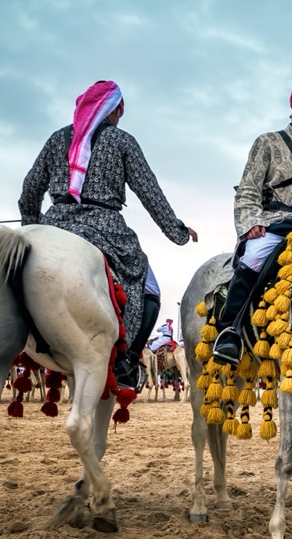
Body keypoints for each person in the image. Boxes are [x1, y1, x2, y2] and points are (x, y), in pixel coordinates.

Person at [19, 80, 197, 389]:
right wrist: (177, 231)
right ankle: (126, 361)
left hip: (53, 223)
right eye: (119, 113)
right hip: (104, 226)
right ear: (113, 110)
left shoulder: (56, 138)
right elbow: (150, 193)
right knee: (150, 288)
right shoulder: (122, 141)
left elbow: (30, 189)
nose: (119, 119)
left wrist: (32, 229)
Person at [211, 78, 292, 365]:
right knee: (254, 259)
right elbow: (248, 189)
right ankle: (229, 331)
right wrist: (250, 223)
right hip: (271, 224)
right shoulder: (267, 142)